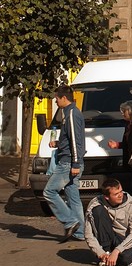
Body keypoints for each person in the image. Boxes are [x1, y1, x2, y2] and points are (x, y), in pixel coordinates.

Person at [43, 84, 86, 242]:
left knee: (49, 192)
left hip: (68, 162)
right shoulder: (69, 113)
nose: (55, 101)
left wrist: (75, 163)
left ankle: (70, 222)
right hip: (70, 159)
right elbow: (71, 139)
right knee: (73, 197)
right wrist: (58, 143)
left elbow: (76, 141)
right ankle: (80, 232)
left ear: (64, 98)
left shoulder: (72, 114)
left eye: (56, 98)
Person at [84, 178, 132, 266]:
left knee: (125, 260)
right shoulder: (95, 203)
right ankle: (106, 254)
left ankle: (118, 256)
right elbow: (88, 233)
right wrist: (100, 253)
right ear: (106, 197)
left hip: (124, 240)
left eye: (121, 191)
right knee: (98, 211)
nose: (120, 195)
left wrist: (117, 251)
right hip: (107, 238)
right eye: (116, 194)